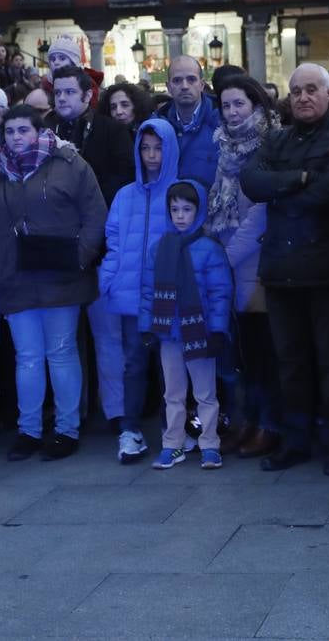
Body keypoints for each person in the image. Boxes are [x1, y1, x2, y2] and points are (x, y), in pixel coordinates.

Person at [241, 63, 329, 475]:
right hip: (280, 269)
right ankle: (294, 441)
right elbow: (251, 182)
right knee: (289, 361)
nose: (303, 97)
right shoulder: (276, 139)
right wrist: (301, 177)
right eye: (296, 91)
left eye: (312, 89)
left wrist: (284, 190)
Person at [0, 105, 107, 462]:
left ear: (38, 131)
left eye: (23, 130)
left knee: (60, 353)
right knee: (27, 356)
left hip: (61, 273)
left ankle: (66, 430)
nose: (16, 137)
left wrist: (80, 256)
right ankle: (29, 430)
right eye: (10, 131)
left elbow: (95, 213)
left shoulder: (69, 163)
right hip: (14, 276)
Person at [98, 118, 181, 463]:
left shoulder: (181, 191)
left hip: (168, 295)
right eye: (145, 148)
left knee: (170, 366)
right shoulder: (125, 195)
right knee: (133, 363)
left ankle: (172, 430)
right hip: (132, 296)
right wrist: (109, 278)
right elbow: (113, 241)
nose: (151, 155)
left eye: (158, 148)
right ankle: (130, 429)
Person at [209, 76, 280, 458]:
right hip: (228, 263)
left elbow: (260, 213)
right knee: (240, 355)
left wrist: (226, 255)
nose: (233, 111)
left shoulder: (269, 143)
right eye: (226, 105)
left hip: (255, 262)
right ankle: (246, 421)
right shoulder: (223, 146)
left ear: (255, 104)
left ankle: (269, 423)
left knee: (261, 350)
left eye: (240, 103)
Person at [141, 181, 233, 470]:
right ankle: (173, 443)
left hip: (199, 332)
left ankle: (209, 444)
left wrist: (218, 329)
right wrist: (147, 326)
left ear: (199, 210)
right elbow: (147, 290)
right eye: (175, 209)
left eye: (187, 209)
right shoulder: (160, 248)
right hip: (169, 333)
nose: (180, 215)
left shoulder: (209, 249)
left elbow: (221, 292)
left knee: (205, 393)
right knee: (173, 392)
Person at [46, 65, 133, 204]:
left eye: (69, 92)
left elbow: (124, 178)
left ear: (87, 96)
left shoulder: (112, 130)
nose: (61, 98)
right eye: (57, 93)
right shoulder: (44, 130)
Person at [156, 54, 221, 186]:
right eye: (177, 80)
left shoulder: (223, 121)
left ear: (202, 84)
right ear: (168, 87)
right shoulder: (157, 126)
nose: (184, 86)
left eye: (191, 79)